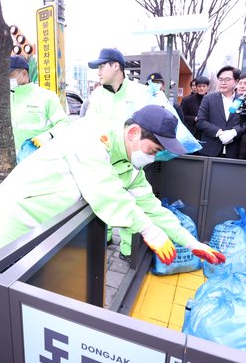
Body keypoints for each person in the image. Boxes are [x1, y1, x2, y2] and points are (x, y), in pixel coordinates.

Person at [0, 105, 226, 267]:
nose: (153, 158)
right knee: (1, 291)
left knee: (32, 293)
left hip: (54, 224)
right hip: (21, 212)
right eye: (153, 151)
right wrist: (149, 231)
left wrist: (189, 241)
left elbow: (152, 208)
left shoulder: (129, 165)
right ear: (133, 133)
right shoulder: (90, 134)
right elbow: (105, 191)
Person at [85, 48, 199, 260]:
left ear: (115, 66)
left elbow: (161, 128)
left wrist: (155, 152)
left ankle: (127, 249)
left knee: (133, 201)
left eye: (102, 66)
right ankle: (105, 237)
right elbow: (89, 124)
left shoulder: (141, 92)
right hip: (101, 157)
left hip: (132, 160)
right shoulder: (97, 95)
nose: (98, 72)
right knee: (105, 201)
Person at [195, 65, 246, 158]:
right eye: (220, 79)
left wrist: (234, 132)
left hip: (233, 151)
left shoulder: (243, 100)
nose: (223, 83)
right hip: (210, 150)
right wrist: (219, 132)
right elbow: (200, 121)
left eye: (227, 79)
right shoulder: (208, 98)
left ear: (236, 81)